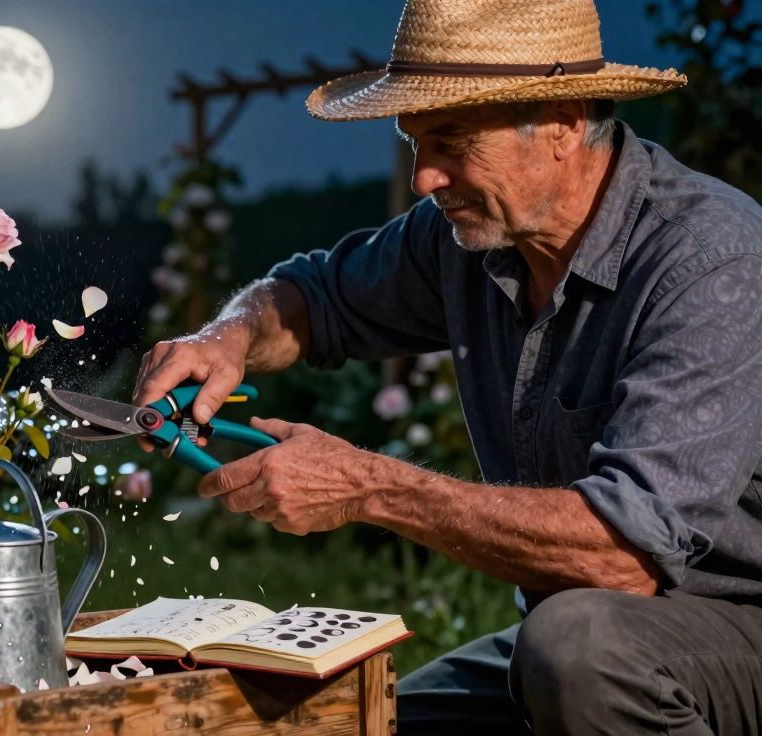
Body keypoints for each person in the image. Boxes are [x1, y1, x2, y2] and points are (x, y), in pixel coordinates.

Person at [133, 1, 762, 733]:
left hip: (727, 622)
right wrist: (226, 336)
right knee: (358, 717)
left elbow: (622, 557)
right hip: (586, 632)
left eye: (451, 141)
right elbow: (313, 297)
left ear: (560, 121)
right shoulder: (466, 238)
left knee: (577, 648)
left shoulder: (712, 263)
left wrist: (367, 485)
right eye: (414, 142)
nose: (425, 176)